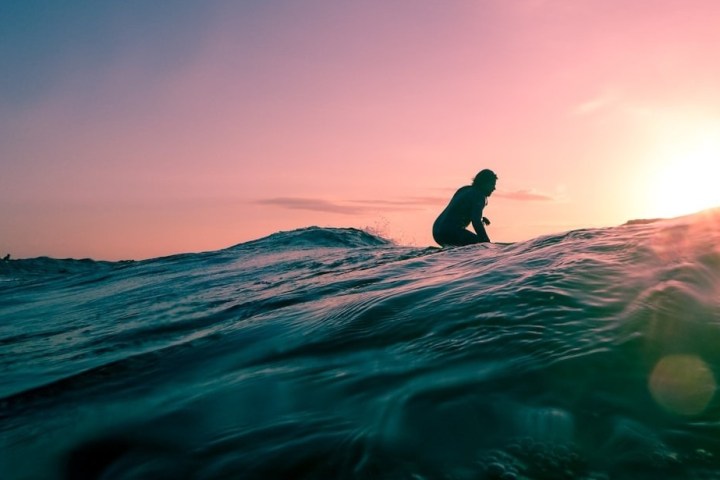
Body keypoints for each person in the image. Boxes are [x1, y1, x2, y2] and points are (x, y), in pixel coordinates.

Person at [432, 169, 498, 247]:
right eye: (492, 184)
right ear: (484, 183)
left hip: (437, 231)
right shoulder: (479, 196)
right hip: (450, 232)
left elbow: (459, 210)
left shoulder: (464, 189)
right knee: (479, 245)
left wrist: (480, 219)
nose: (494, 188)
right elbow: (476, 221)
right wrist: (487, 243)